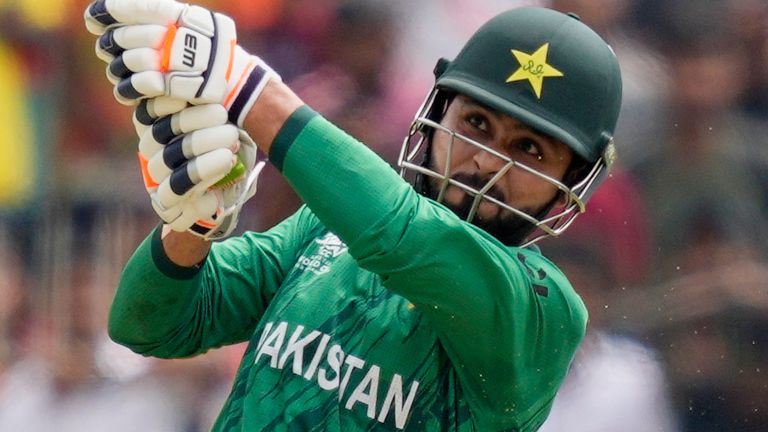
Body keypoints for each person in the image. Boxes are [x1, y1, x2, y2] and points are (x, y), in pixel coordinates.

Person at [83, 0, 622, 430]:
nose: (486, 161)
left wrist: (246, 88)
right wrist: (194, 223)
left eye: (529, 150)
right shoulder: (327, 228)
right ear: (435, 115)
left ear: (573, 182)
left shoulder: (543, 310)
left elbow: (406, 236)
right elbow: (148, 325)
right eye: (477, 122)